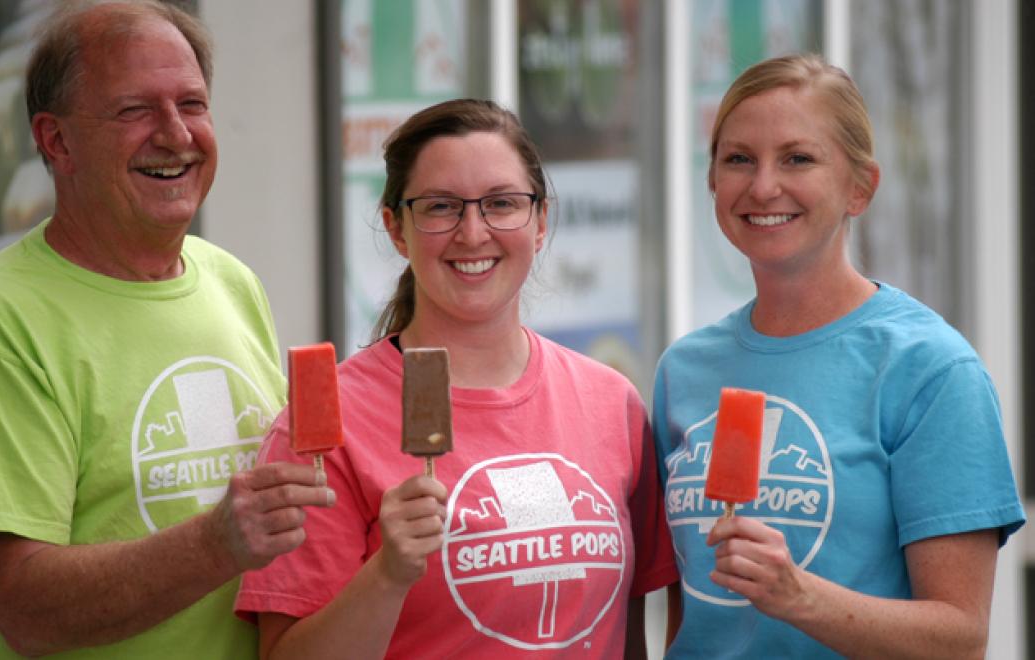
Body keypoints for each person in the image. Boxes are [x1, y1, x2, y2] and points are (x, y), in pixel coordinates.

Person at [0, 1, 333, 657]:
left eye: (192, 104)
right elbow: (24, 609)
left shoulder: (231, 282)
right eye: (135, 110)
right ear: (56, 140)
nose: (176, 134)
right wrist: (218, 541)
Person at [235, 98, 679, 658]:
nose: (473, 233)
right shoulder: (326, 428)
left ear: (540, 222)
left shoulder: (611, 402)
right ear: (397, 229)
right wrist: (388, 575)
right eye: (442, 207)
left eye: (502, 203)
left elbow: (628, 637)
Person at [651, 53, 1026, 658]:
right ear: (713, 181)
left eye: (798, 158)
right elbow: (688, 610)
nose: (763, 185)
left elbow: (960, 640)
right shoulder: (685, 370)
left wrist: (798, 595)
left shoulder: (929, 369)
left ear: (860, 187)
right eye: (738, 159)